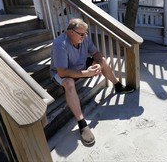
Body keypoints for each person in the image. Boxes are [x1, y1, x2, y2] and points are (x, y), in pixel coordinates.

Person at [50, 18, 134, 146]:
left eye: (85, 33)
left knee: (103, 60)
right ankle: (82, 123)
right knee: (68, 83)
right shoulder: (59, 44)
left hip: (80, 67)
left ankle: (117, 85)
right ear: (71, 32)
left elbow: (95, 53)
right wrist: (86, 73)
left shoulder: (84, 37)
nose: (84, 36)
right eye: (81, 34)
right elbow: (62, 72)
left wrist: (99, 65)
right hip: (62, 73)